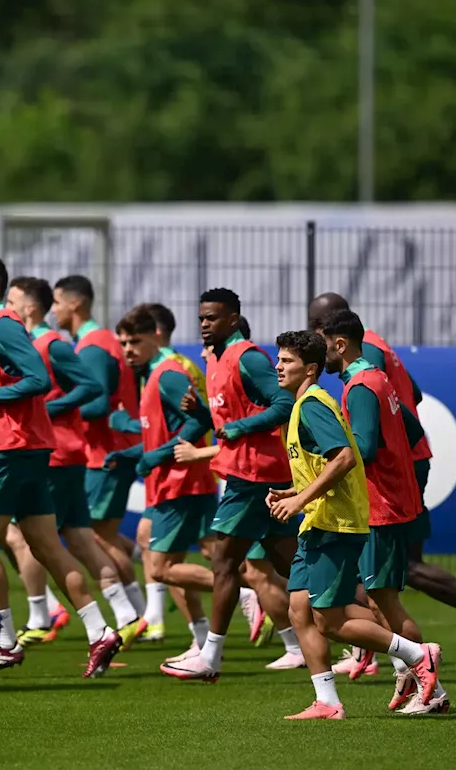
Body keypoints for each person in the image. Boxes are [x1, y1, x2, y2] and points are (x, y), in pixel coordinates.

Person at [308, 292, 456, 672]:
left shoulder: (363, 368)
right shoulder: (376, 354)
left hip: (388, 484)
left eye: (314, 329)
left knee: (393, 580)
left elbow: (366, 447)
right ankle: (385, 656)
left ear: (330, 333)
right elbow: (412, 405)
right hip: (401, 470)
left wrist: (338, 460)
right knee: (377, 580)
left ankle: (430, 654)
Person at [0, 257, 122, 678]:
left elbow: (38, 379)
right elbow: (1, 385)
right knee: (47, 547)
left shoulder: (3, 324)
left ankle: (4, 642)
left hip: (9, 450)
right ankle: (101, 631)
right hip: (25, 449)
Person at [267, 330, 443, 718]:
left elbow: (346, 457)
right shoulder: (301, 406)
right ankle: (327, 702)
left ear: (310, 369)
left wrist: (300, 498)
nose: (278, 366)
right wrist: (289, 492)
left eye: (286, 361)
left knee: (328, 620)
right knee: (299, 608)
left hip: (335, 523)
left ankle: (417, 654)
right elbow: (319, 464)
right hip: (316, 521)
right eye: (278, 360)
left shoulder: (313, 404)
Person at [0, 278, 147, 647]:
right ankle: (131, 614)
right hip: (75, 452)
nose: (6, 308)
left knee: (26, 536)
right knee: (83, 538)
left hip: (63, 453)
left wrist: (43, 409)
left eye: (11, 301)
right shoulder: (60, 343)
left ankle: (42, 615)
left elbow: (92, 396)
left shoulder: (60, 344)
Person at [316, 308, 450, 710]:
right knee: (376, 598)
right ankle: (410, 678)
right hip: (389, 501)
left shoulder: (360, 385)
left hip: (381, 507)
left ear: (339, 344)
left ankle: (431, 686)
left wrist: (327, 460)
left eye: (323, 343)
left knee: (384, 600)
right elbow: (411, 429)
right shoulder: (377, 380)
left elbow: (366, 448)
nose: (320, 353)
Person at [161, 288, 296, 681]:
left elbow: (283, 403)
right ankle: (376, 631)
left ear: (233, 319)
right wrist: (202, 412)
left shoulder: (247, 356)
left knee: (224, 563)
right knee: (296, 566)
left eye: (213, 318)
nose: (204, 325)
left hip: (252, 476)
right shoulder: (216, 358)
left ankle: (209, 657)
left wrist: (240, 427)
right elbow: (231, 419)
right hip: (252, 473)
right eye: (202, 318)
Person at [112, 308, 217, 663]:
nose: (128, 349)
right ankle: (202, 643)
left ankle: (246, 592)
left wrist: (155, 457)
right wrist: (131, 455)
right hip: (170, 485)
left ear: (155, 336)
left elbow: (199, 422)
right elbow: (166, 432)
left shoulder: (169, 374)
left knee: (161, 568)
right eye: (124, 342)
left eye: (135, 341)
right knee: (187, 559)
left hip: (181, 483)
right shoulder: (151, 375)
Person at [51, 275, 147, 620]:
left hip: (105, 454)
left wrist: (56, 408)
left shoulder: (93, 346)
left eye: (57, 302)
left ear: (74, 303)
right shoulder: (95, 342)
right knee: (99, 536)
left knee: (95, 538)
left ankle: (136, 616)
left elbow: (97, 402)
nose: (53, 310)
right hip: (105, 452)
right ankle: (138, 614)